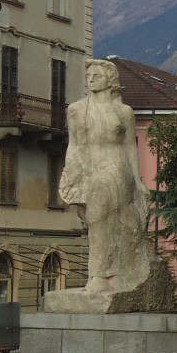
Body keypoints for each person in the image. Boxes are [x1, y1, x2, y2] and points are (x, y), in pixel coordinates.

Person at [59, 59, 150, 294]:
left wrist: (138, 182)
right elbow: (74, 145)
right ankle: (109, 273)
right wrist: (71, 176)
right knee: (96, 220)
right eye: (88, 75)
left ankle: (99, 275)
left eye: (96, 75)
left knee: (99, 215)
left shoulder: (124, 112)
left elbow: (131, 147)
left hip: (117, 168)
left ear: (110, 80)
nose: (90, 79)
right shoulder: (76, 110)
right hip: (89, 168)